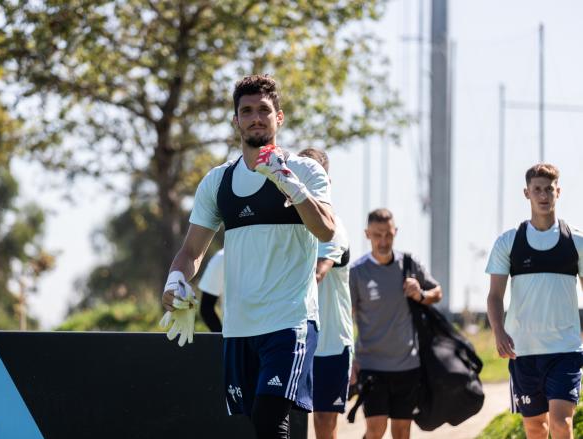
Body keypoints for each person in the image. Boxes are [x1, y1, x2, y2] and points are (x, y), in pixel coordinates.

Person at [160, 74, 335, 439]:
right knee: (260, 422)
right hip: (240, 327)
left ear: (279, 117)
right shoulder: (217, 181)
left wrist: (288, 182)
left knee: (271, 420)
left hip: (291, 320)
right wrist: (175, 282)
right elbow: (191, 251)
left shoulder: (305, 171)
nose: (256, 117)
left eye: (264, 110)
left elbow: (326, 230)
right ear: (235, 120)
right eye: (247, 111)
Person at [486, 163, 583, 439]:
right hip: (523, 351)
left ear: (558, 192)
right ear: (526, 193)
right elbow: (494, 296)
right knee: (534, 428)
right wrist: (498, 331)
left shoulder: (576, 241)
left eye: (549, 189)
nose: (543, 195)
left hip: (565, 349)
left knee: (562, 423)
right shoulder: (509, 242)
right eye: (537, 189)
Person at [349, 208, 442, 439]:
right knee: (376, 429)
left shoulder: (409, 264)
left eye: (388, 235)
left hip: (407, 365)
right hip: (371, 364)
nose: (383, 241)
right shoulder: (357, 272)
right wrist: (350, 359)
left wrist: (420, 293)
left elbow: (437, 292)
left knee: (401, 432)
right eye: (377, 235)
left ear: (395, 232)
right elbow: (346, 317)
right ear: (367, 234)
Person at [297, 148, 354, 439]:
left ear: (326, 183)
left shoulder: (335, 229)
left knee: (322, 421)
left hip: (331, 344)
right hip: (295, 340)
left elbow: (318, 274)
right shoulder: (290, 228)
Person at [198, 248, 224, 332]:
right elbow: (206, 308)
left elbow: (206, 309)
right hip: (236, 339)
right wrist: (221, 340)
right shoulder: (222, 258)